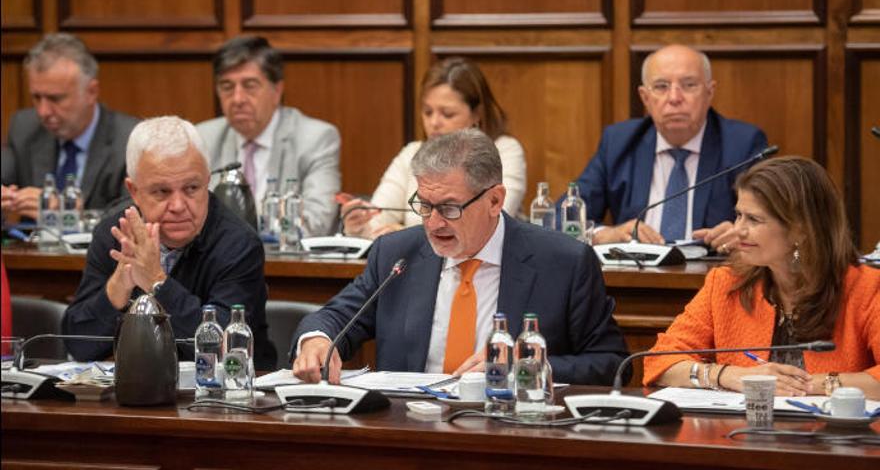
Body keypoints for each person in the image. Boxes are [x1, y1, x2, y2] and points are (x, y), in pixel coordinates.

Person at [293, 128, 628, 385]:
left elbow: (613, 364)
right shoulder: (397, 254)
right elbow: (333, 318)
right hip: (409, 434)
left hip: (514, 434)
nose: (433, 223)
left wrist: (527, 365)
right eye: (424, 206)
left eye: (449, 208)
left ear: (495, 201)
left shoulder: (564, 262)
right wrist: (317, 342)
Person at [643, 157, 880, 399]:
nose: (738, 230)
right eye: (738, 216)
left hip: (835, 434)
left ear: (802, 229)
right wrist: (733, 376)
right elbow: (659, 361)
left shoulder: (866, 288)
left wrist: (807, 385)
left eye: (754, 219)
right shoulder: (726, 283)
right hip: (739, 434)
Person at [62, 116, 276, 370]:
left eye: (192, 188)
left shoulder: (239, 244)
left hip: (226, 397)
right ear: (134, 191)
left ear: (208, 180)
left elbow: (223, 349)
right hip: (135, 392)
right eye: (161, 191)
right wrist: (118, 287)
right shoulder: (115, 235)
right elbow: (78, 345)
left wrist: (156, 281)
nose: (178, 206)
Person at [567, 45, 767, 252]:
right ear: (645, 98)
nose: (674, 98)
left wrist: (741, 232)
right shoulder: (619, 142)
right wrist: (605, 234)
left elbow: (774, 222)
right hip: (633, 275)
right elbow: (563, 215)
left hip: (714, 273)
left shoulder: (742, 144)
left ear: (709, 93)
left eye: (689, 85)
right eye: (661, 86)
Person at [340, 57, 526, 240]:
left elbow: (490, 220)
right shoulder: (412, 153)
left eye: (447, 114)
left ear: (477, 114)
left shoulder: (504, 151)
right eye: (427, 112)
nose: (434, 122)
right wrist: (358, 226)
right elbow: (377, 221)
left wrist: (403, 235)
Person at [197, 35, 341, 237]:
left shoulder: (315, 138)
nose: (237, 99)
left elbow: (318, 221)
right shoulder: (202, 137)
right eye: (227, 87)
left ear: (277, 91)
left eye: (250, 85)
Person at [1, 33, 138, 220]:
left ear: (91, 92)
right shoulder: (24, 128)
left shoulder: (130, 140)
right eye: (36, 97)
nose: (43, 111)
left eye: (55, 99)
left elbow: (135, 215)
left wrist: (72, 213)